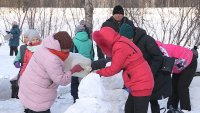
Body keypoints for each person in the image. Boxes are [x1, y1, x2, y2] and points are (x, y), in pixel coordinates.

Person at [18, 31, 84, 113]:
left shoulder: (45, 47)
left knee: (30, 109)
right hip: (38, 94)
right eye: (65, 49)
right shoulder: (52, 58)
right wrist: (73, 70)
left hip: (29, 86)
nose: (67, 51)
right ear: (59, 46)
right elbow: (61, 80)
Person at [92, 27, 154, 113]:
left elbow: (113, 69)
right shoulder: (121, 40)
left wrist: (97, 72)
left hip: (141, 83)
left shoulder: (119, 46)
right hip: (138, 82)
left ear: (106, 41)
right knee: (129, 109)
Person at [156, 41, 197, 112]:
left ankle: (185, 109)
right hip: (179, 64)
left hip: (190, 61)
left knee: (182, 86)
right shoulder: (156, 52)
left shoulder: (163, 51)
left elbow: (165, 69)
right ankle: (171, 107)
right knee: (173, 86)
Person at [71, 24, 94, 102]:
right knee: (85, 82)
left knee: (75, 82)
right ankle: (85, 98)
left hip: (76, 64)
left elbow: (72, 53)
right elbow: (92, 54)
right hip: (87, 64)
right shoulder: (90, 41)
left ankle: (76, 99)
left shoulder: (74, 40)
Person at [11, 29, 31, 99]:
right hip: (23, 70)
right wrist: (16, 62)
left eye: (27, 37)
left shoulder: (37, 48)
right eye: (24, 37)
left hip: (33, 71)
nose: (25, 39)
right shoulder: (22, 47)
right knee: (17, 83)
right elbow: (17, 57)